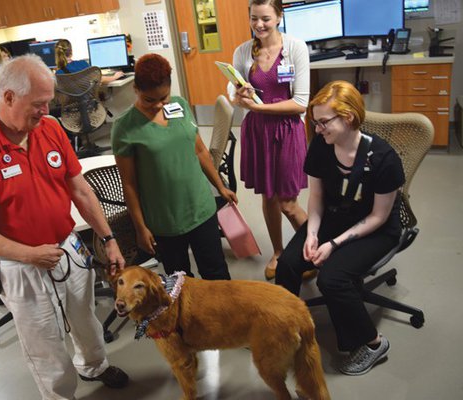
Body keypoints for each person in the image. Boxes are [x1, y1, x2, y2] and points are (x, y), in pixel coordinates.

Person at [0, 54, 129, 400]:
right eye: (38, 104)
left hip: (67, 249)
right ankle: (59, 395)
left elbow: (79, 188)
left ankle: (94, 366)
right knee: (44, 342)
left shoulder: (49, 130)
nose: (46, 111)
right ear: (7, 98)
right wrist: (29, 254)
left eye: (49, 102)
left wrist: (108, 238)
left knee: (86, 319)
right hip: (22, 265)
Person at [275, 80, 405, 376]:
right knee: (288, 264)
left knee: (332, 278)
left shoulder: (384, 159)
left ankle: (373, 344)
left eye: (323, 122)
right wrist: (311, 234)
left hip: (376, 228)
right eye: (315, 123)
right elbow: (317, 199)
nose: (317, 130)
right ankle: (281, 327)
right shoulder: (322, 147)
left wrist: (333, 244)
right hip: (334, 216)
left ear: (347, 118)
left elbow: (378, 217)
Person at [112, 53, 237, 280]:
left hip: (201, 208)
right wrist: (141, 228)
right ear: (136, 90)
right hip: (165, 221)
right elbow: (129, 184)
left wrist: (220, 187)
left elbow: (200, 151)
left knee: (217, 274)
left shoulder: (179, 105)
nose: (159, 105)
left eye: (164, 97)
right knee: (180, 282)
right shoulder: (124, 128)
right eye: (150, 100)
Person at [229, 0, 310, 280]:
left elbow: (301, 103)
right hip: (258, 132)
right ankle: (278, 252)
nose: (259, 25)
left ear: (279, 16)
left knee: (288, 202)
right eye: (254, 19)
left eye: (265, 18)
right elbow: (232, 89)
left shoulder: (295, 48)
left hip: (287, 129)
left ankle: (317, 248)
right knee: (269, 196)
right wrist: (238, 96)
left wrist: (260, 107)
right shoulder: (243, 51)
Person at [54, 39, 124, 83]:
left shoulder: (58, 74)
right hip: (89, 103)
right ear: (71, 51)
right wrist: (114, 77)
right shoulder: (82, 64)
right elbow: (99, 79)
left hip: (72, 106)